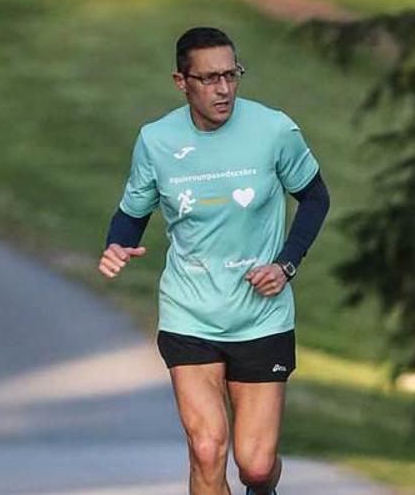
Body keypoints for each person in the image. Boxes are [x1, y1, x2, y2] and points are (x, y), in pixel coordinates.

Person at [98, 27, 330, 495]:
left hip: (260, 317)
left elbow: (315, 198)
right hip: (190, 313)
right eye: (209, 79)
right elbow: (132, 212)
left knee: (256, 466)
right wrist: (118, 243)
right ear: (181, 82)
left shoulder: (274, 130)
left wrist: (285, 265)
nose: (223, 89)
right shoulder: (157, 140)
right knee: (207, 448)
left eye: (231, 75)